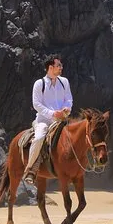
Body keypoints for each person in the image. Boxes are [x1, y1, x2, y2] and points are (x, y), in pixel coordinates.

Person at [23, 55, 73, 185]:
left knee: (78, 134)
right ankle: (30, 169)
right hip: (43, 120)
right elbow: (36, 104)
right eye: (58, 65)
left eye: (61, 65)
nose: (61, 67)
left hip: (62, 119)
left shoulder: (64, 82)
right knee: (39, 137)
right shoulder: (39, 84)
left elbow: (68, 99)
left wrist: (66, 109)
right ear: (50, 67)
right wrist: (53, 113)